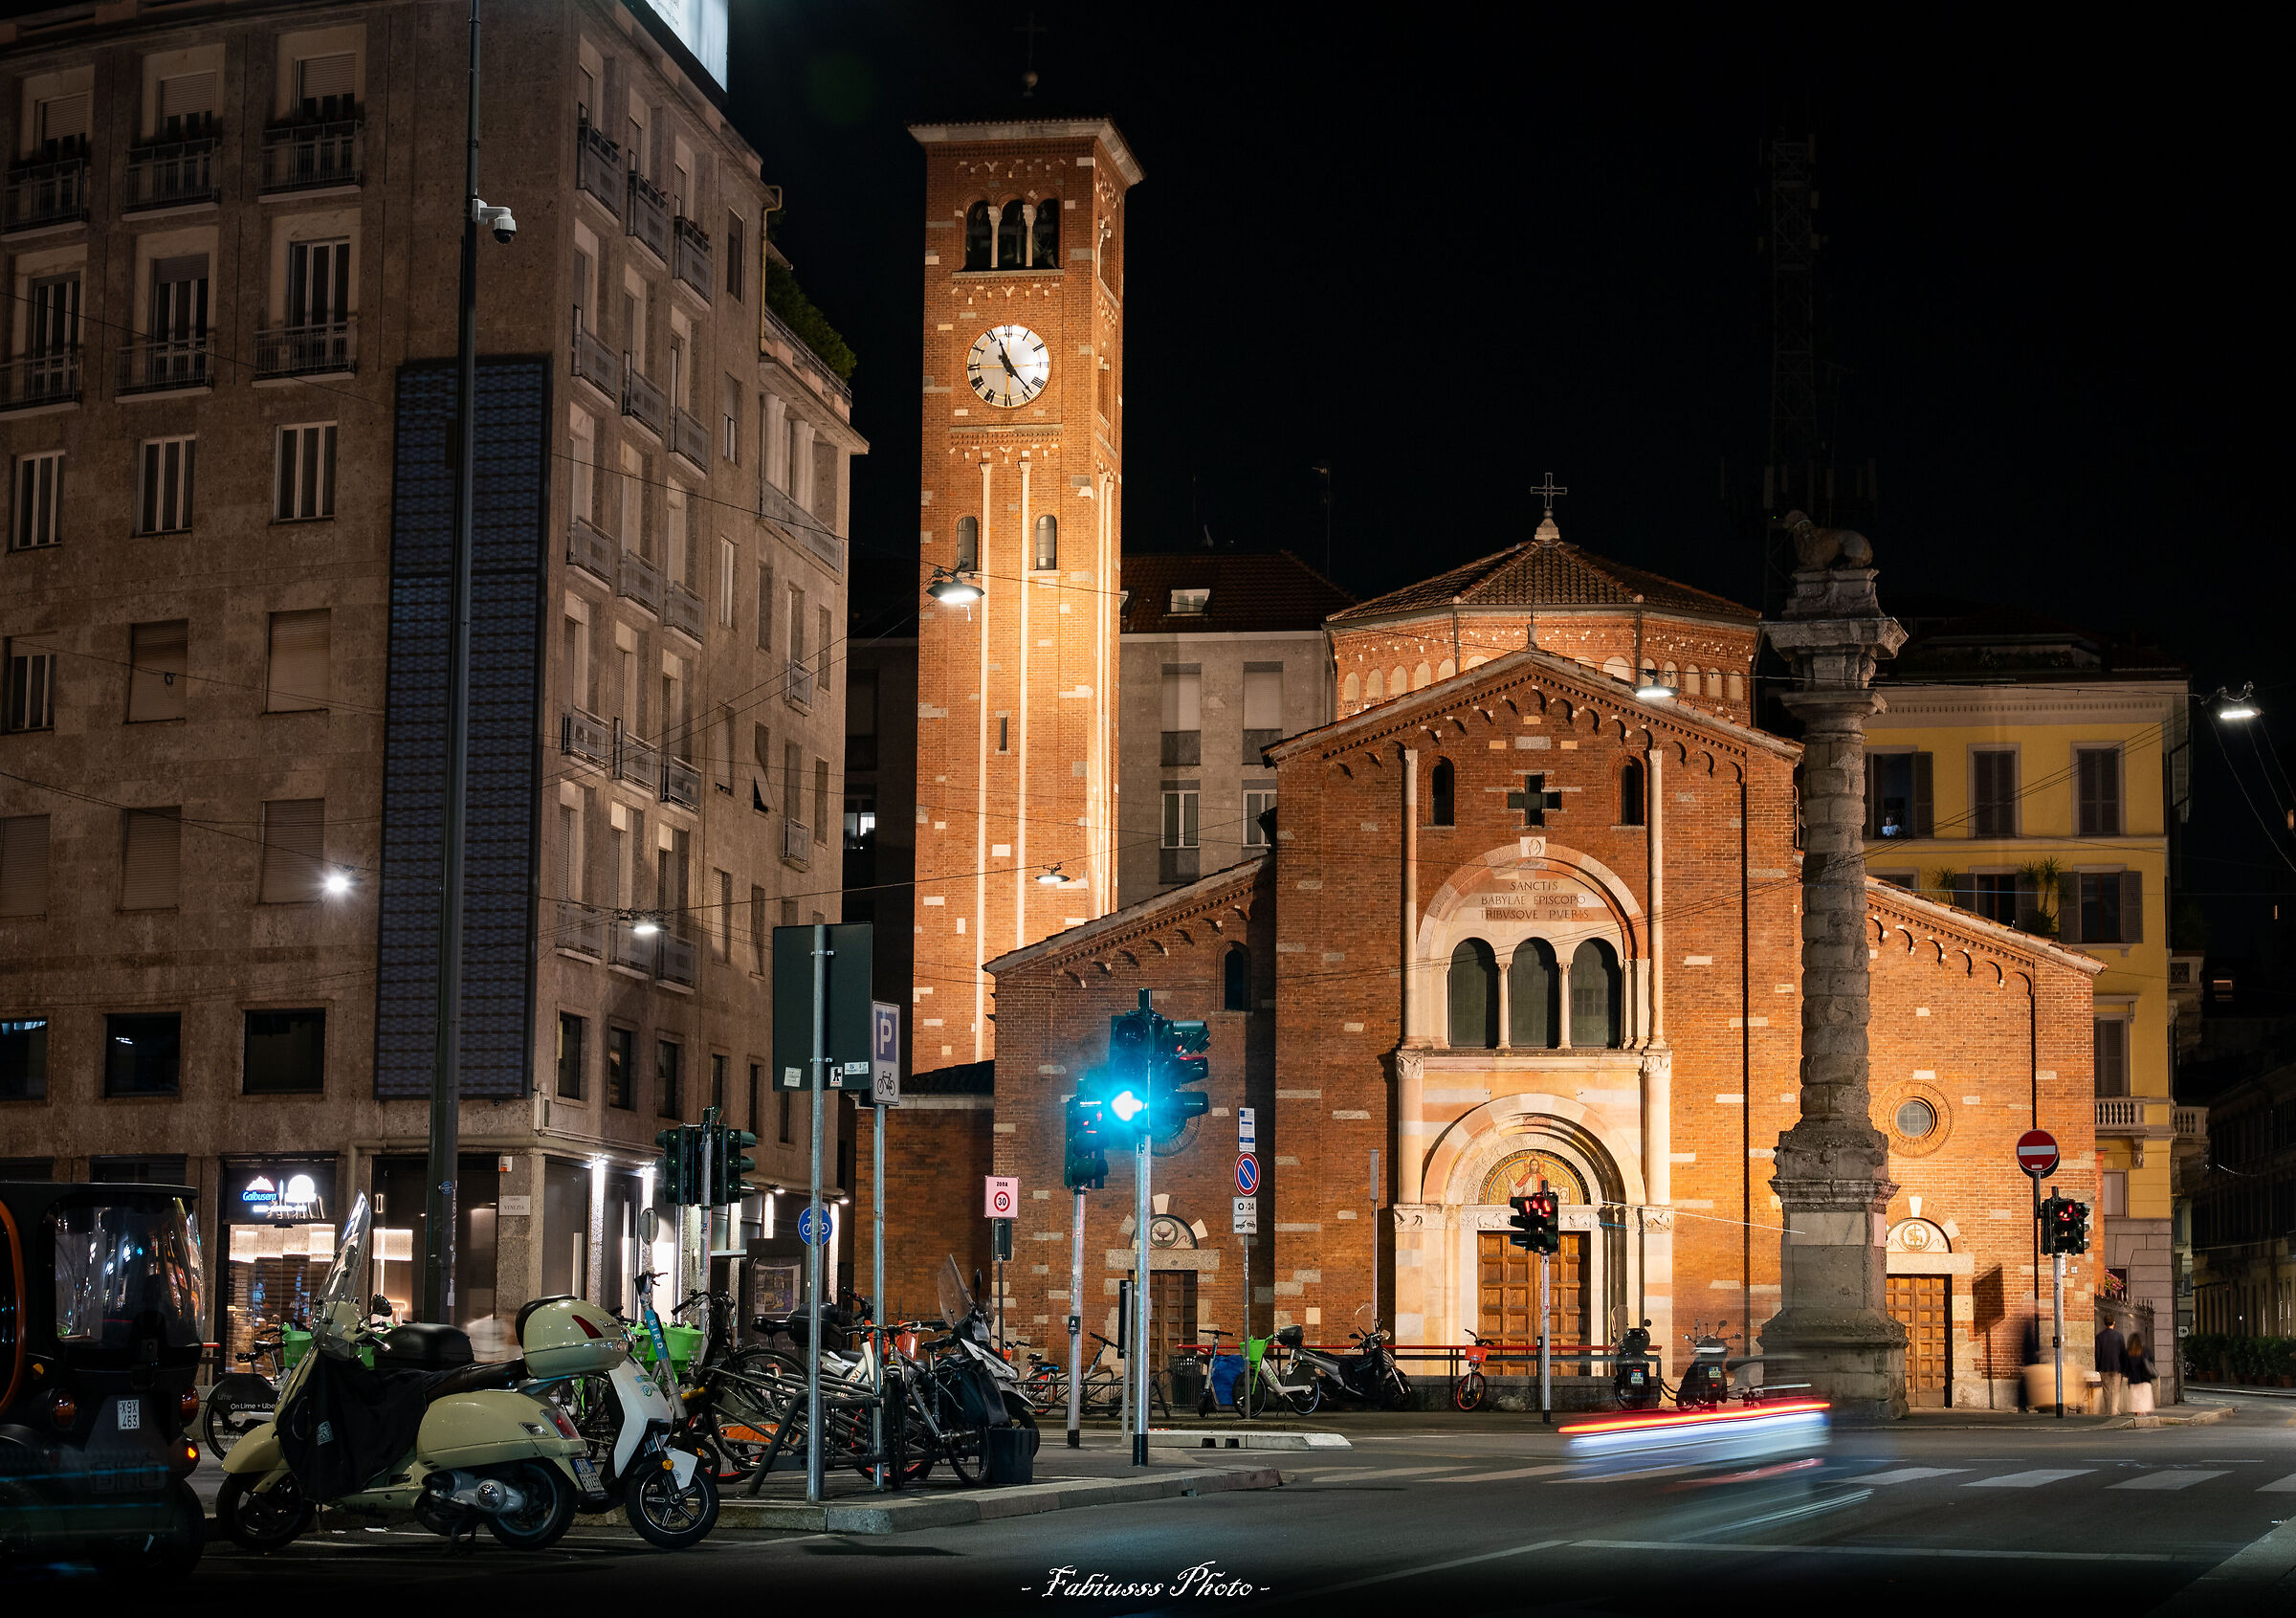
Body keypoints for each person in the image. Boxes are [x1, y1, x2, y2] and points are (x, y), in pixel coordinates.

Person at [2094, 1316, 2129, 1415]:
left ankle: (2108, 1409)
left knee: (2106, 1389)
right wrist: (2124, 1367)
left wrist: (2098, 1366)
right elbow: (2123, 1353)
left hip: (2104, 1367)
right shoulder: (2119, 1336)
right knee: (2116, 1389)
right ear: (2113, 1322)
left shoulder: (2099, 1337)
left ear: (2104, 1323)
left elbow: (2098, 1354)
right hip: (2117, 1367)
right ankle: (2114, 1409)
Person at [2126, 1331, 2157, 1414]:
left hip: (2133, 1380)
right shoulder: (2145, 1350)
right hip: (2145, 1379)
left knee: (2135, 1400)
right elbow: (2151, 1361)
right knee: (2145, 1400)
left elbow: (2125, 1366)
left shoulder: (2129, 1352)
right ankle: (2145, 1417)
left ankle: (2137, 1414)